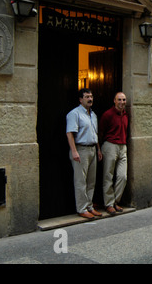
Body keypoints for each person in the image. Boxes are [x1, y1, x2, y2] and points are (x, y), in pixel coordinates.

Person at [66, 88, 103, 219]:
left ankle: (89, 206)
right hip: (80, 149)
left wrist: (98, 149)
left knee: (91, 181)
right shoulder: (74, 114)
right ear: (80, 99)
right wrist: (74, 151)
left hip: (92, 149)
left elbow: (95, 134)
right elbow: (69, 133)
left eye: (91, 96)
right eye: (87, 96)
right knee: (80, 181)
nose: (90, 99)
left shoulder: (93, 115)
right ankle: (81, 208)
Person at [99, 92, 129, 215]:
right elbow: (101, 132)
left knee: (123, 176)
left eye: (124, 100)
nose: (122, 102)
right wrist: (100, 148)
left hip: (123, 146)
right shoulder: (107, 115)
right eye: (119, 100)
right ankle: (109, 204)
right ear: (114, 101)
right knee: (108, 176)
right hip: (110, 146)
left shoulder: (126, 115)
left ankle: (116, 201)